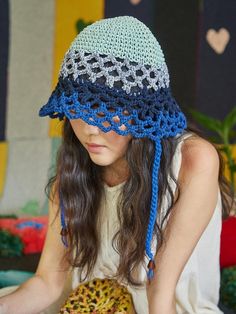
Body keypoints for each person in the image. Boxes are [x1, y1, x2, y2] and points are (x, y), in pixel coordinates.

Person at [0, 16, 234, 314]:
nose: (90, 129)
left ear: (141, 111)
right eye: (79, 108)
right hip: (84, 303)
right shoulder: (76, 167)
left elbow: (160, 294)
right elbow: (48, 283)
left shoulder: (191, 161)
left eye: (107, 111)